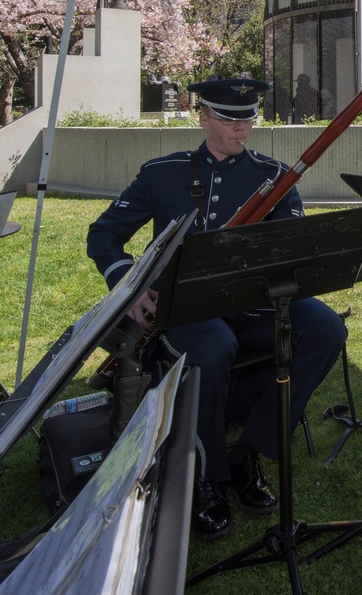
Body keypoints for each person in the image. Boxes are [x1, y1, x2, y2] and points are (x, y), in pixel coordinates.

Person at [86, 77, 348, 541]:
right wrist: (135, 287)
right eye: (229, 118)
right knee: (213, 346)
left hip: (254, 303)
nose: (242, 128)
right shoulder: (161, 172)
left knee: (325, 328)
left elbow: (288, 251)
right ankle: (206, 477)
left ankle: (248, 452)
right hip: (185, 309)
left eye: (249, 118)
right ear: (202, 116)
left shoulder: (275, 176)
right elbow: (103, 236)